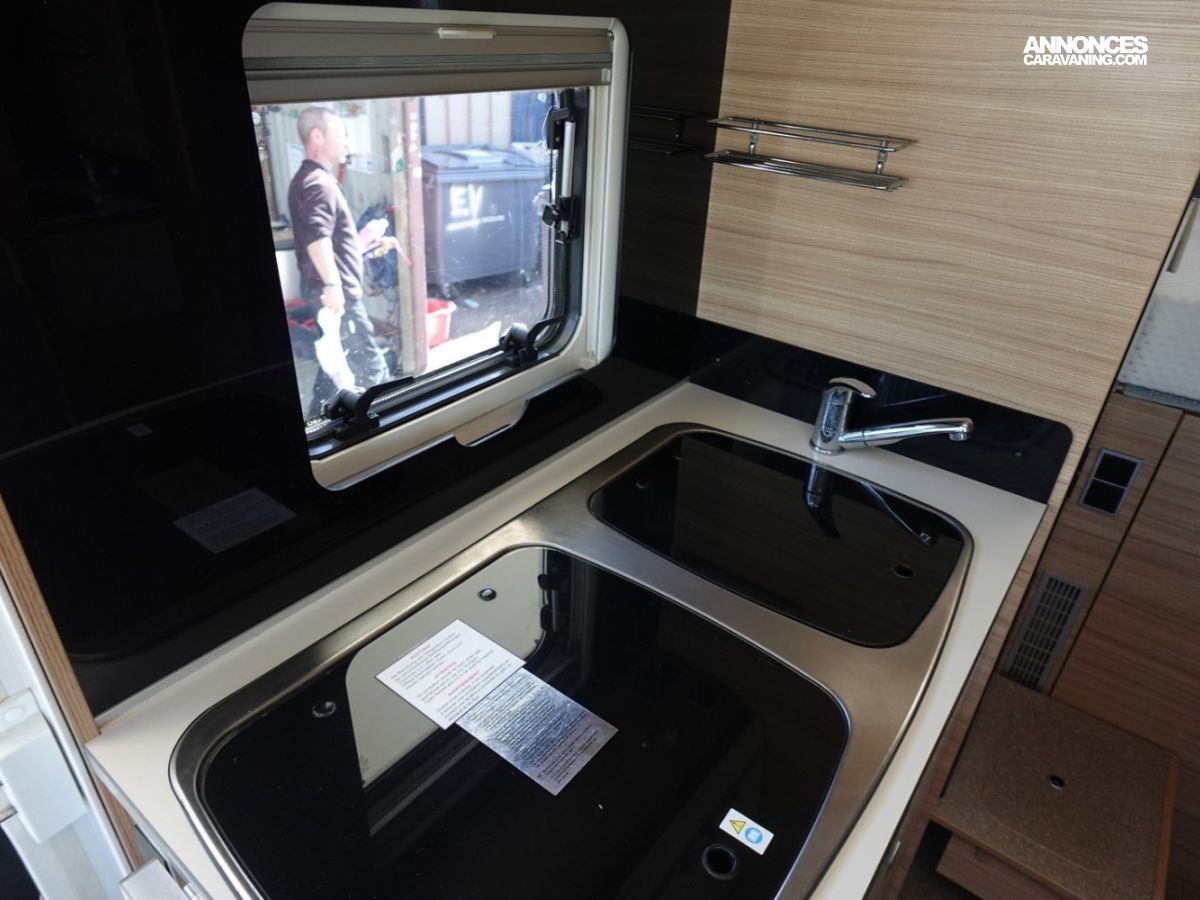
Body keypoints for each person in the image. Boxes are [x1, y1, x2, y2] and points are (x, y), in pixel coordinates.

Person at [288, 107, 390, 413]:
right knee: (373, 371)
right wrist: (333, 286)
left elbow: (328, 242)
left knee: (332, 366)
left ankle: (316, 421)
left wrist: (365, 240)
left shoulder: (309, 179)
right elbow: (317, 239)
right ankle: (395, 423)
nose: (347, 142)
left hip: (327, 293)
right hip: (336, 298)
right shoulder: (318, 183)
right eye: (341, 134)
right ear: (317, 137)